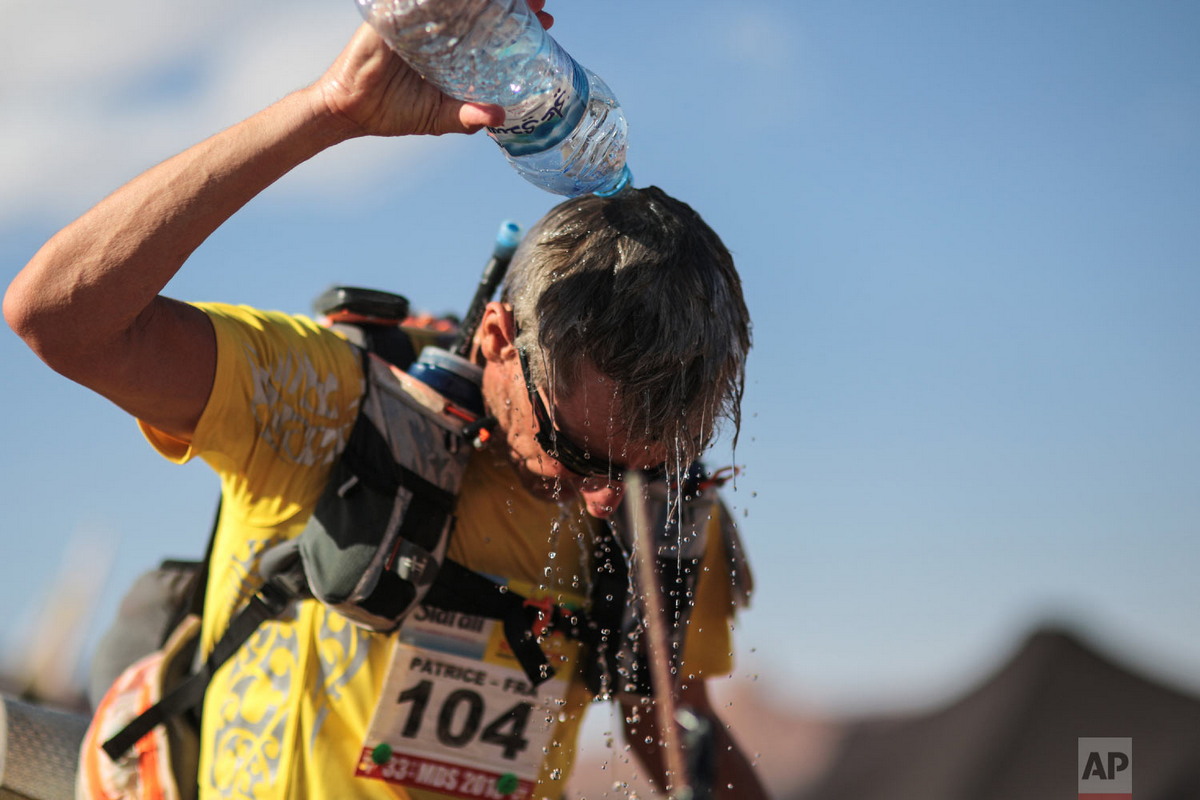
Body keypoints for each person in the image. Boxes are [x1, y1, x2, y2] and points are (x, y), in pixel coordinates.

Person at [4, 4, 765, 799]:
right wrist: (326, 110)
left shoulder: (662, 519)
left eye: (653, 466)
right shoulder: (322, 406)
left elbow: (676, 729)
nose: (609, 498)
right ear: (500, 342)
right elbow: (60, 319)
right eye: (578, 453)